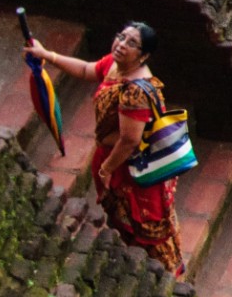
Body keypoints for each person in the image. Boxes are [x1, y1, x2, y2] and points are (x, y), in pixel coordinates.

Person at [25, 22, 185, 277]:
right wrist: (48, 56)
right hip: (115, 160)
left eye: (131, 44)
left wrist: (106, 169)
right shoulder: (115, 65)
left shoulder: (136, 93)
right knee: (124, 220)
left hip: (130, 168)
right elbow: (88, 70)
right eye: (121, 37)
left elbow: (129, 140)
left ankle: (159, 277)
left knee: (144, 227)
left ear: (143, 56)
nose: (121, 44)